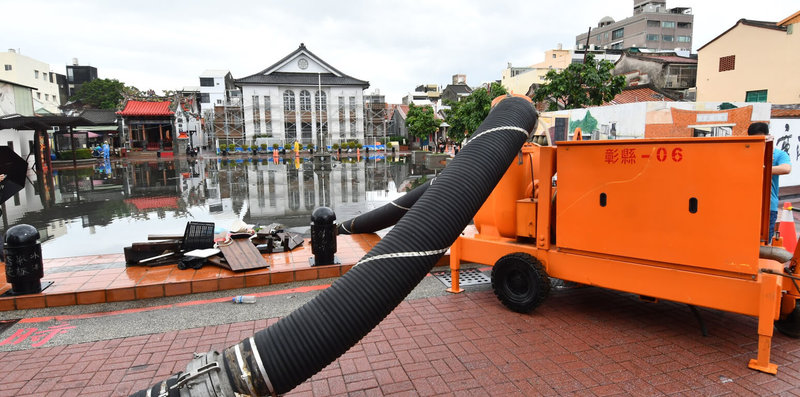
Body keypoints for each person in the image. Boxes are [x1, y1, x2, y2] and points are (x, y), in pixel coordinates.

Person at [748, 122, 791, 242]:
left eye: (761, 139)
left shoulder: (778, 154)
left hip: (768, 207)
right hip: (746, 205)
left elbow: (786, 168)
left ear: (768, 136)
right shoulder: (746, 152)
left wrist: (761, 169)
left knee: (764, 242)